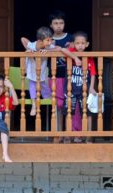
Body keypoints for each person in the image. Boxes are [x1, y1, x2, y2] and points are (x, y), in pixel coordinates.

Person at [21, 26, 80, 117]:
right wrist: (29, 49)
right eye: (48, 40)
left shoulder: (48, 47)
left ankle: (50, 102)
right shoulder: (32, 45)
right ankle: (34, 105)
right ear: (40, 41)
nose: (50, 42)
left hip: (42, 75)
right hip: (32, 73)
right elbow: (23, 39)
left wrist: (49, 51)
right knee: (32, 87)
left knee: (45, 90)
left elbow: (60, 49)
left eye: (50, 40)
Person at [62, 31, 96, 143]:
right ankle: (68, 135)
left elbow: (93, 74)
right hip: (70, 89)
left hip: (84, 90)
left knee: (87, 112)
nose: (80, 45)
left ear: (87, 44)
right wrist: (75, 58)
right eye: (77, 43)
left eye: (82, 43)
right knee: (68, 111)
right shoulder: (70, 53)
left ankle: (89, 135)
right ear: (73, 44)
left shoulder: (89, 58)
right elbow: (62, 49)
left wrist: (91, 88)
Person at [48, 10, 73, 142]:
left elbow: (76, 51)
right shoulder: (48, 40)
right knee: (57, 105)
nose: (58, 25)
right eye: (56, 23)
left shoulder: (71, 38)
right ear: (51, 25)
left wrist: (70, 47)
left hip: (69, 76)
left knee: (69, 104)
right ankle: (57, 133)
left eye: (61, 23)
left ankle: (68, 133)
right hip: (54, 77)